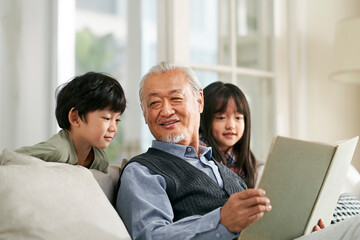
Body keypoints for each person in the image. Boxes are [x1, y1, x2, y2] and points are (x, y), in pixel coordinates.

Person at [117, 62, 272, 240]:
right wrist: (221, 222)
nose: (166, 111)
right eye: (154, 103)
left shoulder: (218, 166)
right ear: (145, 114)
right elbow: (151, 236)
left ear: (199, 102)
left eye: (175, 98)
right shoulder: (141, 172)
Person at [0, 72, 126, 172]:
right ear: (75, 118)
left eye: (117, 120)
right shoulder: (58, 150)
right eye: (107, 118)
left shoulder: (100, 159)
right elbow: (8, 158)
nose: (113, 128)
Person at [199, 81, 258, 188]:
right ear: (204, 120)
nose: (231, 126)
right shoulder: (198, 154)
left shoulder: (244, 158)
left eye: (238, 117)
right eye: (221, 118)